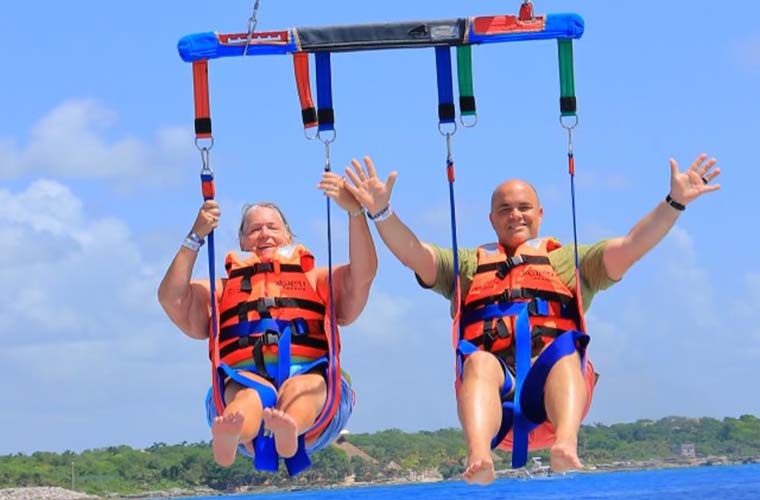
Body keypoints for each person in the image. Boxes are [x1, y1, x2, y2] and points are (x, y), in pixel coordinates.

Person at [340, 153, 720, 484]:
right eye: (505, 209)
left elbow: (632, 245)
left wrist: (675, 202)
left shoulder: (570, 261)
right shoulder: (468, 267)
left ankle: (566, 446)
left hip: (554, 398)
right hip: (496, 403)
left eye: (523, 207)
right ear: (491, 218)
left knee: (566, 350)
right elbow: (414, 254)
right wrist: (381, 212)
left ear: (540, 214)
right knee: (479, 361)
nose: (515, 215)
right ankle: (478, 456)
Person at [157, 171, 377, 468]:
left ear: (288, 236)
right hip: (241, 382)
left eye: (272, 227)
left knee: (302, 389)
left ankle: (289, 428)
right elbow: (171, 297)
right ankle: (232, 435)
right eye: (254, 229)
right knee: (246, 399)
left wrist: (354, 212)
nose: (264, 234)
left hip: (316, 397)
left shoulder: (317, 279)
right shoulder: (221, 289)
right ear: (242, 241)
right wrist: (196, 236)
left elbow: (363, 274)